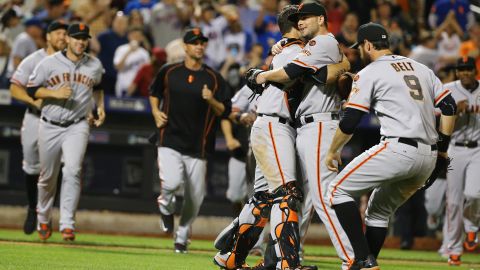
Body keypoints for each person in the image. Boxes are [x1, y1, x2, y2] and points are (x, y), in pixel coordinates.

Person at [324, 22, 456, 269]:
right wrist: (443, 149)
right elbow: (450, 107)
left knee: (337, 191)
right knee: (378, 211)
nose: (361, 51)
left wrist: (332, 151)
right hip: (427, 157)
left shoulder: (371, 72)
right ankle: (365, 264)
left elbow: (351, 120)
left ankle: (363, 259)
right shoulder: (421, 68)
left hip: (398, 148)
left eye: (361, 46)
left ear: (369, 45)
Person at [250, 2, 353, 269]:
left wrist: (261, 76)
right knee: (299, 199)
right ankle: (282, 258)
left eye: (305, 17)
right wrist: (283, 46)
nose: (301, 22)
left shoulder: (321, 43)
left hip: (319, 124)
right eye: (298, 19)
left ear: (321, 18)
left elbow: (291, 73)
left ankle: (353, 258)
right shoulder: (312, 45)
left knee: (323, 197)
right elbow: (324, 67)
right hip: (305, 126)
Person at [149, 28, 231, 253]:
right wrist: (155, 112)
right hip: (170, 138)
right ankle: (165, 207)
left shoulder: (213, 77)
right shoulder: (169, 71)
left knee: (195, 198)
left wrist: (211, 99)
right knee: (172, 184)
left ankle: (182, 237)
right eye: (194, 42)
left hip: (199, 145)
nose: (199, 46)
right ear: (185, 47)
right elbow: (153, 92)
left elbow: (226, 110)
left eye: (202, 42)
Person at [26, 23, 105, 241]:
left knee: (72, 171)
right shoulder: (49, 63)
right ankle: (43, 217)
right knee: (47, 177)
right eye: (76, 38)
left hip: (77, 125)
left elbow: (98, 87)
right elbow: (32, 89)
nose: (81, 42)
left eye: (84, 38)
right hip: (49, 124)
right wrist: (54, 93)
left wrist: (100, 108)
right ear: (67, 39)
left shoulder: (94, 64)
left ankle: (67, 224)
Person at [9, 20, 68, 235]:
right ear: (48, 37)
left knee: (56, 168)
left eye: (65, 33)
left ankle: (45, 212)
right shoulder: (34, 59)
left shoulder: (72, 61)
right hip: (35, 118)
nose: (62, 37)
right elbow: (15, 88)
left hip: (61, 121)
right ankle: (32, 208)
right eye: (58, 33)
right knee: (32, 166)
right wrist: (33, 101)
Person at [443, 57, 480, 266]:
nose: (464, 73)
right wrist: (455, 109)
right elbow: (434, 116)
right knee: (454, 202)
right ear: (457, 72)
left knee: (474, 193)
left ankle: (472, 227)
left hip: (478, 149)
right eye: (461, 69)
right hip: (455, 148)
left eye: (468, 69)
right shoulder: (448, 89)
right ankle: (454, 250)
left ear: (475, 71)